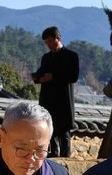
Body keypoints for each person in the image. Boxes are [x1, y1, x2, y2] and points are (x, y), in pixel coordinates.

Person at [31, 26, 79, 158]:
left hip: (63, 100)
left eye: (50, 41)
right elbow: (41, 73)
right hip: (48, 99)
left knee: (64, 132)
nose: (49, 45)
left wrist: (53, 76)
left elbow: (73, 76)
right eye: (46, 43)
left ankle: (65, 159)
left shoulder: (71, 56)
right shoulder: (46, 57)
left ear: (58, 38)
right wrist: (36, 77)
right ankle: (51, 158)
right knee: (49, 131)